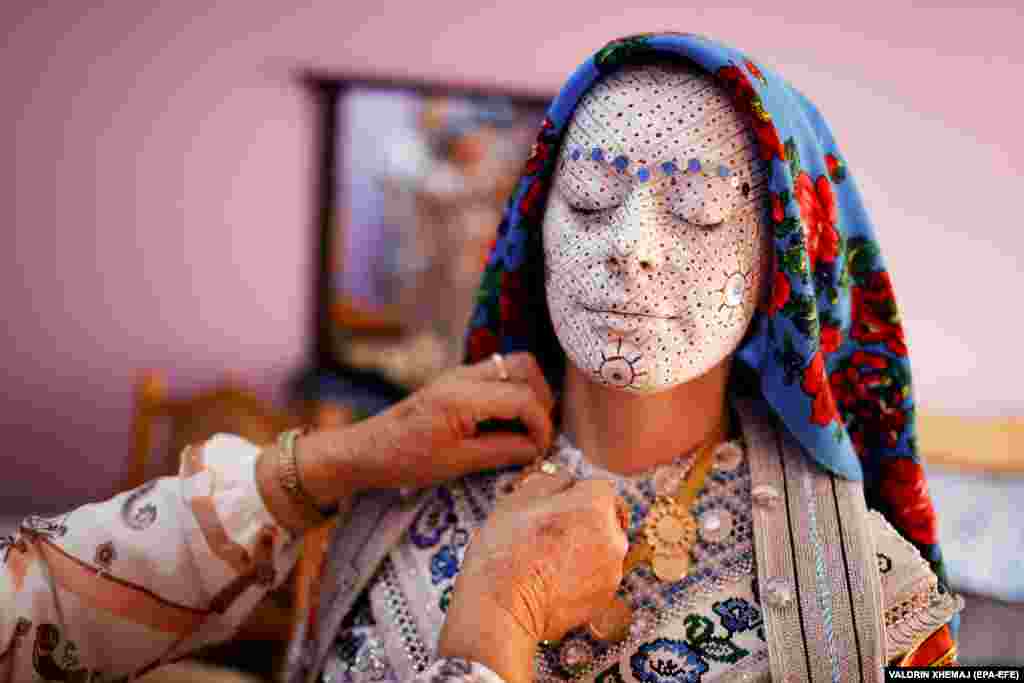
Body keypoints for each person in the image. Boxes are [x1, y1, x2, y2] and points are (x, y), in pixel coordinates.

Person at [1, 33, 961, 683]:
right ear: (532, 230)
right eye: (587, 201)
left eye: (703, 214)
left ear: (781, 271)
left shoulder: (870, 591)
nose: (632, 246)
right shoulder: (397, 504)